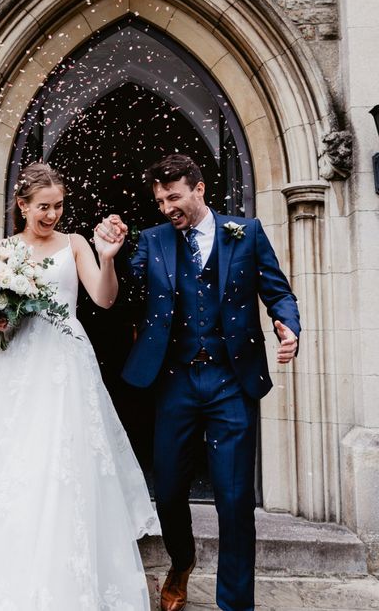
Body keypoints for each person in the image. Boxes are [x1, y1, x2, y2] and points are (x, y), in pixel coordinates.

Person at [0, 163, 159, 611]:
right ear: (22, 205)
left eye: (58, 206)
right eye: (43, 207)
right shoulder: (3, 250)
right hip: (17, 366)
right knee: (9, 464)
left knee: (64, 464)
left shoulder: (75, 245)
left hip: (65, 368)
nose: (52, 214)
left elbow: (103, 297)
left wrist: (109, 257)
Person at [98, 154, 300, 611]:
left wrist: (288, 327)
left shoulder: (244, 233)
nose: (167, 207)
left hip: (232, 380)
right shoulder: (151, 242)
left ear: (199, 189)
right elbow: (119, 298)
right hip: (175, 382)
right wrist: (109, 256)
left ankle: (235, 604)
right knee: (168, 490)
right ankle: (182, 560)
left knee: (234, 500)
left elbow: (278, 291)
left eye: (174, 197)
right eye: (159, 200)